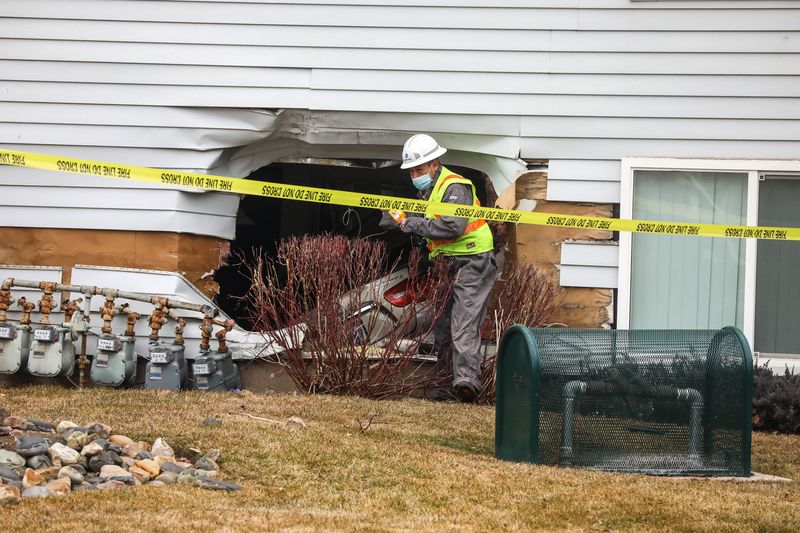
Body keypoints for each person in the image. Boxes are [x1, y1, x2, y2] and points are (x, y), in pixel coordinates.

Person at [380, 134, 497, 403]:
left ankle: (467, 384)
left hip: (472, 261)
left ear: (435, 164)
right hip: (447, 263)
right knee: (442, 327)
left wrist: (408, 224)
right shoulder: (429, 190)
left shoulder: (455, 187)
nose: (415, 175)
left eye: (420, 169)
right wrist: (395, 218)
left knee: (463, 323)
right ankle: (446, 386)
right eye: (412, 172)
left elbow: (451, 227)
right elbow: (426, 220)